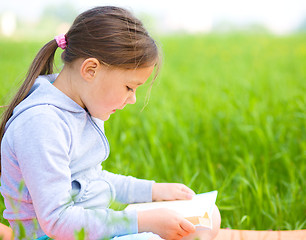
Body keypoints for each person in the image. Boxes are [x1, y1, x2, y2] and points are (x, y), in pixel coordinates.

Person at [0, 6, 220, 240]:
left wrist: (153, 191)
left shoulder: (82, 106)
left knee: (208, 216)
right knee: (188, 233)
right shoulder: (41, 124)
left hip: (91, 230)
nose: (132, 99)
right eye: (129, 87)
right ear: (91, 70)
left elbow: (94, 179)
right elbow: (57, 220)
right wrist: (144, 222)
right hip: (57, 236)